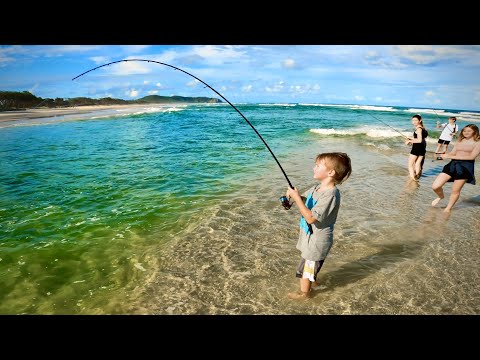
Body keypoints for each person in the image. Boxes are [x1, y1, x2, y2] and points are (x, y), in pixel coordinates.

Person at [285, 152, 352, 299]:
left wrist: (297, 199)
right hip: (310, 237)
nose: (314, 168)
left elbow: (310, 218)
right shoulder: (317, 188)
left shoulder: (331, 194)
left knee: (305, 271)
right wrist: (295, 197)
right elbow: (306, 201)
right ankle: (313, 283)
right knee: (309, 267)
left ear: (331, 172)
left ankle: (305, 295)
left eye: (318, 166)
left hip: (317, 241)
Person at [432, 124, 480, 212]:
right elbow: (453, 153)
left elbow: (472, 157)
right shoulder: (459, 140)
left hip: (465, 168)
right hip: (452, 164)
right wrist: (442, 156)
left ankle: (448, 208)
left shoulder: (478, 142)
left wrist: (451, 157)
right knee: (435, 186)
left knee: (455, 190)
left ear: (474, 132)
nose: (466, 132)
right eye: (464, 131)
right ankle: (440, 196)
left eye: (469, 131)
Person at [405, 114, 428, 180]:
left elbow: (419, 140)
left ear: (420, 120)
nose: (414, 122)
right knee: (417, 164)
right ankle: (417, 177)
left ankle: (413, 179)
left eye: (415, 120)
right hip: (422, 148)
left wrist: (410, 141)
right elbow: (421, 138)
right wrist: (410, 138)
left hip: (417, 148)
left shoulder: (418, 129)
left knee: (410, 165)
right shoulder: (423, 128)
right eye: (413, 120)